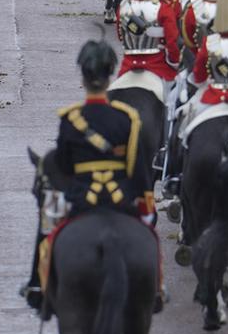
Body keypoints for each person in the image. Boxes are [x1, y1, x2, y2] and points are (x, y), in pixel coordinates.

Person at [22, 40, 153, 311]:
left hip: (82, 200)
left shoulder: (71, 119)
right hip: (120, 202)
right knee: (150, 240)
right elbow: (138, 170)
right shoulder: (127, 117)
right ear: (109, 76)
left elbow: (65, 168)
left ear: (83, 78)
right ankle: (157, 289)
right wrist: (145, 204)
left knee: (47, 226)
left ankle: (37, 285)